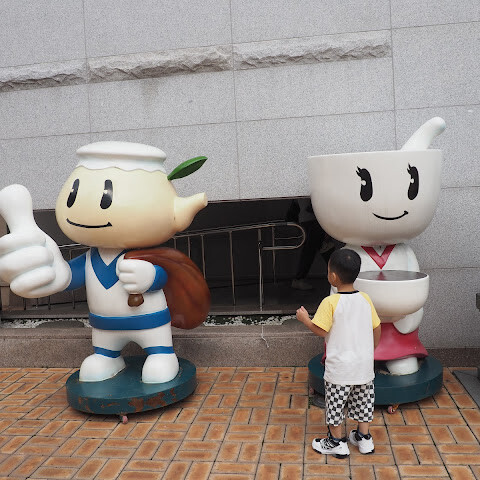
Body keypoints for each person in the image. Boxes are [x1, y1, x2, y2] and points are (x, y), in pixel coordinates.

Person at [296, 248, 381, 458]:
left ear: (333, 276)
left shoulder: (331, 302)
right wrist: (371, 350)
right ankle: (364, 439)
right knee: (364, 402)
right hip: (363, 366)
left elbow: (321, 329)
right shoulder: (365, 299)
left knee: (335, 405)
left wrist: (305, 319)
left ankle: (336, 442)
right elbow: (377, 327)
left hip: (340, 369)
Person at [287, 198, 334, 290]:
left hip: (307, 219)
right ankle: (338, 277)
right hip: (314, 219)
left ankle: (336, 276)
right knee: (317, 250)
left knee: (317, 249)